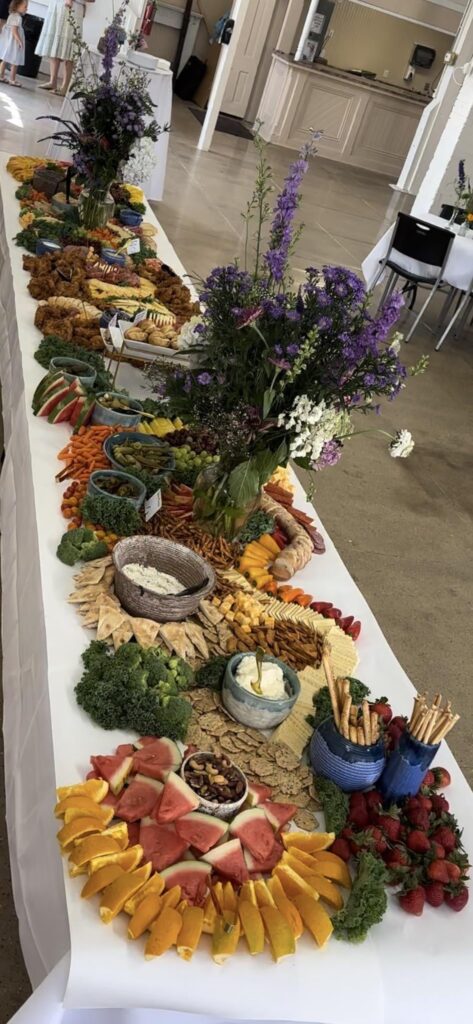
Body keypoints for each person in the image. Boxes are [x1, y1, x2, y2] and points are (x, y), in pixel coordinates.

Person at [35, 0, 94, 97]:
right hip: (58, 6)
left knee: (71, 48)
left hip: (74, 8)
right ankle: (52, 82)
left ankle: (65, 87)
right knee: (55, 44)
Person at [0, 0, 26, 88]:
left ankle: (1, 75)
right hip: (14, 43)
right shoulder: (17, 17)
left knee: (5, 59)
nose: (26, 9)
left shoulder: (11, 15)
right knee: (15, 61)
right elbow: (14, 31)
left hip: (9, 42)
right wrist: (19, 41)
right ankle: (12, 79)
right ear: (17, 6)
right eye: (25, 7)